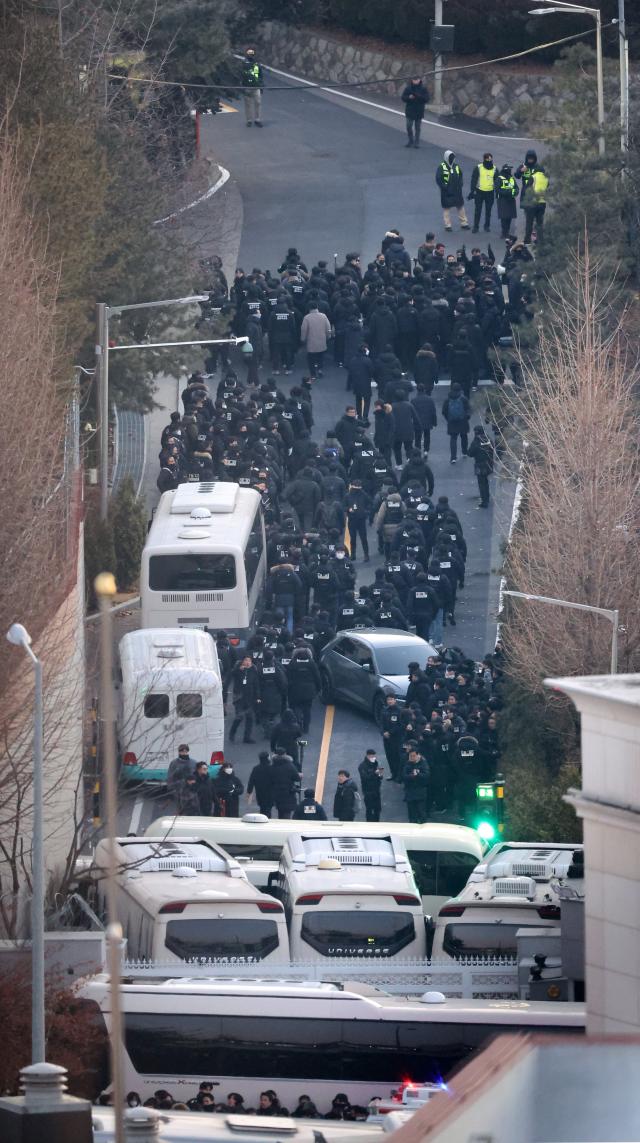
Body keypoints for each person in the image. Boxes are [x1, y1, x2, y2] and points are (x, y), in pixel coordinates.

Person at [286, 646, 321, 733]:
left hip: (295, 690)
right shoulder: (311, 663)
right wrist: (318, 689)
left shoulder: (292, 663)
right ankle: (306, 728)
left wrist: (288, 690)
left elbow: (288, 677)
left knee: (295, 707)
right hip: (309, 691)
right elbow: (317, 677)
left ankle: (297, 723)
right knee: (307, 710)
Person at [436, 150, 469, 233]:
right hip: (447, 191)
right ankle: (448, 225)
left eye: (453, 157)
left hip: (457, 191)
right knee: (447, 208)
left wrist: (460, 184)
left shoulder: (456, 166)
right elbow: (438, 179)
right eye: (451, 158)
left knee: (460, 206)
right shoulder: (441, 167)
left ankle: (464, 223)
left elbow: (460, 175)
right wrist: (445, 187)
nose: (452, 159)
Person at [229, 656, 259, 743]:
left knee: (250, 718)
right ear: (242, 661)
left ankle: (247, 737)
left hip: (250, 697)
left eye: (249, 660)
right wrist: (239, 669)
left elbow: (256, 684)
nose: (248, 662)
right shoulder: (238, 670)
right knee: (239, 717)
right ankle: (232, 733)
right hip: (239, 697)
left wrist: (258, 697)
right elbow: (231, 674)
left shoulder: (253, 670)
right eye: (246, 660)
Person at [467, 424, 495, 508]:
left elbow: (470, 453)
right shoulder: (488, 439)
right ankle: (487, 497)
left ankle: (484, 501)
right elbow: (493, 448)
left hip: (479, 464)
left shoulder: (476, 441)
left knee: (481, 483)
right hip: (489, 463)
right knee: (485, 481)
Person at [300, 303, 332, 377]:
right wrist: (328, 336)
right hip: (322, 341)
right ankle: (320, 370)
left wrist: (303, 339)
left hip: (311, 342)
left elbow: (304, 329)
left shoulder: (307, 317)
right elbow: (328, 328)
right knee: (320, 357)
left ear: (309, 308)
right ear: (317, 307)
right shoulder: (323, 316)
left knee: (311, 358)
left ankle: (313, 373)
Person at [442, 382, 471, 464]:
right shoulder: (463, 399)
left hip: (452, 421)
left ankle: (453, 457)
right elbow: (468, 409)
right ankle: (464, 452)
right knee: (464, 436)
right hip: (463, 420)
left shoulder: (448, 399)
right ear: (460, 389)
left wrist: (448, 419)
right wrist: (467, 417)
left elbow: (444, 411)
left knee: (453, 438)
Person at [469, 152, 496, 233]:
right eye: (487, 159)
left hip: (490, 192)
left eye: (490, 159)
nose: (489, 160)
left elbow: (498, 181)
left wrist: (498, 192)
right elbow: (473, 180)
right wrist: (472, 191)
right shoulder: (478, 168)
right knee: (478, 211)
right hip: (479, 192)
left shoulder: (495, 169)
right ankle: (476, 227)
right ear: (484, 159)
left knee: (488, 211)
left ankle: (487, 226)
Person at [271, 746, 301, 817]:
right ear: (285, 754)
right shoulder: (290, 766)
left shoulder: (273, 766)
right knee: (287, 812)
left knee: (280, 810)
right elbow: (297, 778)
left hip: (276, 792)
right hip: (288, 792)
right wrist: (299, 775)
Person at [524, 163, 549, 245]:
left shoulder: (533, 176)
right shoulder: (546, 178)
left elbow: (527, 188)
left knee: (529, 222)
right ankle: (539, 240)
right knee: (539, 222)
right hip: (542, 203)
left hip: (532, 203)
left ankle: (527, 240)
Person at [401, 76, 429, 148]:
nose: (415, 81)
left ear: (419, 80)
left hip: (419, 111)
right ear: (412, 80)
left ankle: (417, 142)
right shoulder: (408, 88)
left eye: (417, 80)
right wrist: (409, 97)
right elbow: (403, 98)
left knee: (417, 127)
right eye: (414, 80)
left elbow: (427, 99)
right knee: (408, 126)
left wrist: (418, 96)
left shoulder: (423, 89)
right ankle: (410, 140)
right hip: (410, 110)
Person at [247, 751, 275, 816]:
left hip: (260, 792)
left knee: (262, 808)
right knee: (268, 809)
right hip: (270, 792)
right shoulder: (271, 768)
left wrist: (249, 791)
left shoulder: (256, 768)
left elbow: (251, 781)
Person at [358, 749, 384, 821]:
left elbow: (379, 777)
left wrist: (380, 775)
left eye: (374, 756)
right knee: (369, 809)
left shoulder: (375, 763)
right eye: (372, 756)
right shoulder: (362, 766)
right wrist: (374, 773)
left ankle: (377, 822)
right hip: (368, 791)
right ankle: (369, 823)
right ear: (368, 755)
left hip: (376, 790)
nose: (374, 758)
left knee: (377, 809)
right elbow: (365, 778)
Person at [241, 48, 264, 127]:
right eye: (249, 54)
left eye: (252, 54)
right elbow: (241, 76)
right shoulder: (244, 64)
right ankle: (249, 120)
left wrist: (261, 86)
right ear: (247, 55)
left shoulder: (257, 64)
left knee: (258, 103)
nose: (250, 55)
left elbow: (260, 75)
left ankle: (257, 119)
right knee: (248, 104)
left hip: (256, 86)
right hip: (247, 86)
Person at [494, 163, 518, 240]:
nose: (510, 171)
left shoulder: (511, 178)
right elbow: (498, 190)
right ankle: (504, 233)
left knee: (509, 217)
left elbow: (516, 188)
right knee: (504, 217)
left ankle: (506, 232)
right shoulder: (499, 178)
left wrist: (514, 192)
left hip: (511, 200)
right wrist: (508, 192)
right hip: (503, 200)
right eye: (509, 170)